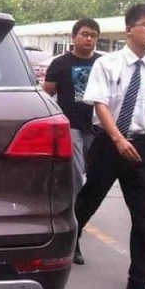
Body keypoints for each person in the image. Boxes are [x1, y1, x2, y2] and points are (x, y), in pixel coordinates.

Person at [76, 3, 145, 289]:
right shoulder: (107, 64)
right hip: (109, 145)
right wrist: (118, 138)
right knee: (90, 199)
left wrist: (143, 137)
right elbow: (100, 104)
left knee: (144, 214)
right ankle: (71, 238)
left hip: (141, 146)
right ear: (129, 29)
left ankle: (140, 280)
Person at [43, 18, 102, 265]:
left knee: (95, 182)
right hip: (72, 128)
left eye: (93, 35)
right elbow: (46, 94)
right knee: (77, 179)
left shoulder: (103, 63)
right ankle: (72, 235)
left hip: (99, 129)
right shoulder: (60, 63)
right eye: (85, 34)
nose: (89, 39)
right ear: (74, 37)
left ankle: (76, 220)